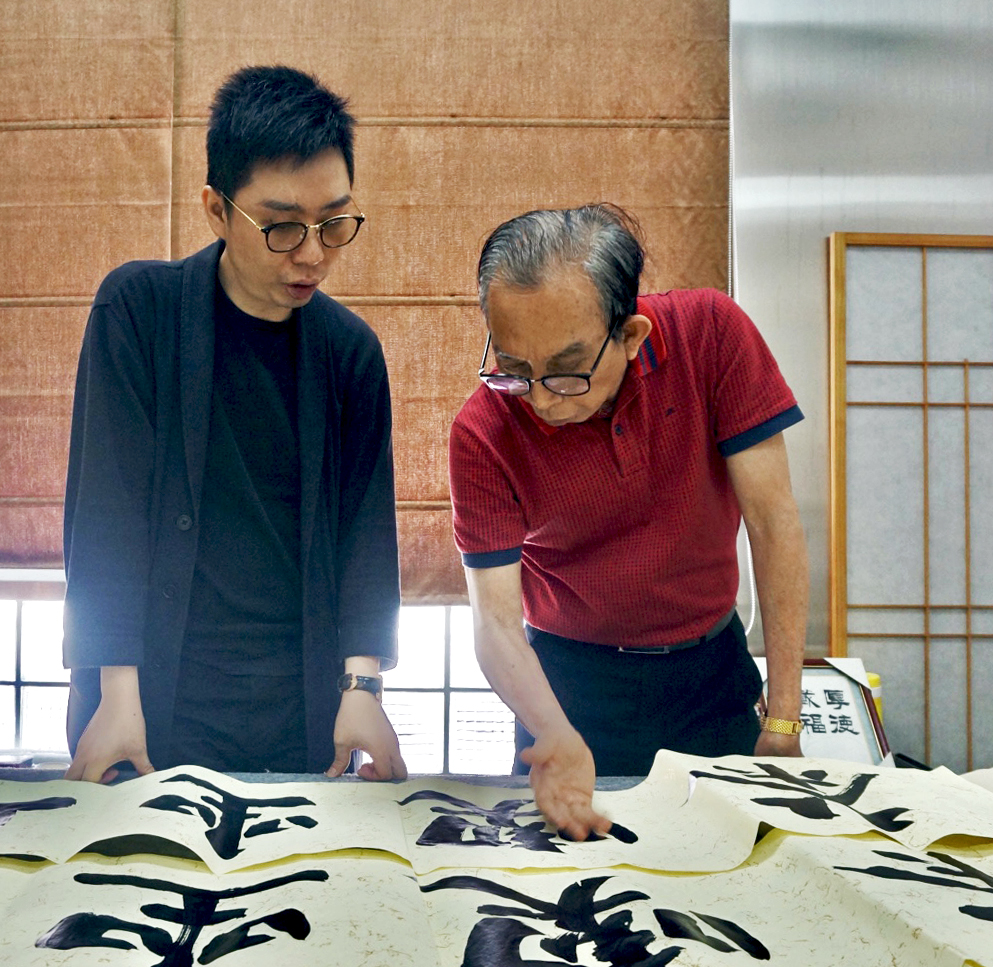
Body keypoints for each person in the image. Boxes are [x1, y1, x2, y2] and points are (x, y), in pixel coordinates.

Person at [61, 65, 406, 784]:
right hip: (149, 710)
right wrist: (115, 690)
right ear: (217, 210)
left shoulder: (350, 353)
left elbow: (365, 535)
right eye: (282, 226)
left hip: (301, 715)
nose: (312, 253)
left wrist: (362, 688)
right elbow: (105, 518)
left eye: (333, 222)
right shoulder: (138, 313)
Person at [449, 204, 808, 839]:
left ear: (632, 335)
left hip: (710, 675)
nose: (537, 398)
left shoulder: (710, 336)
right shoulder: (484, 431)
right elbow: (497, 622)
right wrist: (555, 735)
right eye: (514, 367)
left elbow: (774, 524)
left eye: (566, 370)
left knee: (729, 874)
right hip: (568, 684)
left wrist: (782, 715)